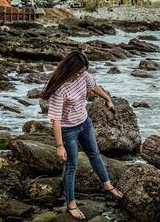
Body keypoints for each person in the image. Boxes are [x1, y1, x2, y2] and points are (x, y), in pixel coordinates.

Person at [41, 51, 123, 220]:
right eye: (78, 72)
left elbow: (93, 86)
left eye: (82, 72)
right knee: (71, 166)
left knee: (94, 153)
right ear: (69, 68)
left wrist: (107, 98)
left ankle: (107, 184)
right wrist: (59, 145)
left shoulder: (83, 75)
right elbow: (55, 119)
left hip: (84, 123)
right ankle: (71, 203)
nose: (80, 75)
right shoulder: (59, 89)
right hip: (67, 130)